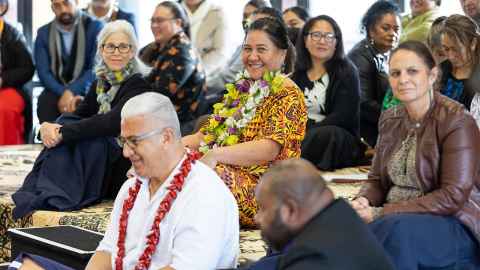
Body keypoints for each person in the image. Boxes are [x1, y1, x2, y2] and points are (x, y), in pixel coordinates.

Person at [352, 41, 480, 270]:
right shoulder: (390, 118)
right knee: (330, 223)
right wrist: (363, 201)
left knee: (392, 233)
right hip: (392, 218)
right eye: (395, 73)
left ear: (432, 75)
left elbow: (453, 196)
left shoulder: (457, 120)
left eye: (412, 71)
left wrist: (380, 212)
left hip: (449, 223)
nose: (403, 80)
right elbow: (376, 181)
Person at [12, 20, 151, 219]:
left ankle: (58, 192)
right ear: (101, 49)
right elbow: (81, 114)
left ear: (132, 51)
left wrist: (62, 132)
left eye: (123, 46)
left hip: (126, 158)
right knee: (68, 122)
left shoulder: (139, 84)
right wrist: (51, 127)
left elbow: (111, 123)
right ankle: (45, 188)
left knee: (88, 137)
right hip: (107, 153)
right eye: (110, 46)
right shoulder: (101, 81)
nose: (116, 52)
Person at [86, 92, 239, 270]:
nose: (126, 152)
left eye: (134, 141)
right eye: (124, 141)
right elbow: (108, 250)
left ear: (166, 137)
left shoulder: (205, 194)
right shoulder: (131, 188)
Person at [182, 17, 307, 228]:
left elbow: (269, 148)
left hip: (268, 191)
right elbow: (208, 135)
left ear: (282, 54)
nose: (252, 56)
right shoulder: (242, 88)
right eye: (247, 49)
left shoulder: (288, 93)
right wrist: (165, 150)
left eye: (261, 49)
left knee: (204, 173)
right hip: (229, 171)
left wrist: (215, 155)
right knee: (174, 162)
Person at [244, 158, 394, 270]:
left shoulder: (315, 262)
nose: (257, 218)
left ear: (290, 210)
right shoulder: (342, 218)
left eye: (263, 209)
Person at [293, 15, 364, 171]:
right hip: (301, 131)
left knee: (328, 134)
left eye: (328, 36)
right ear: (305, 40)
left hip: (335, 135)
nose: (322, 41)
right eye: (316, 35)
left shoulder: (346, 71)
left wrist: (307, 131)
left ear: (336, 42)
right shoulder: (296, 73)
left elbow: (343, 116)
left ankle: (290, 162)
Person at [140, 1, 205, 135]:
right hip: (155, 118)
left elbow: (157, 96)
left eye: (159, 21)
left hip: (176, 125)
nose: (154, 25)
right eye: (152, 20)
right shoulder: (156, 47)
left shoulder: (182, 52)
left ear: (178, 23)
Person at [35, 0, 103, 123]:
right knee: (45, 103)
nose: (63, 10)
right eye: (57, 5)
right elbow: (43, 72)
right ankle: (50, 141)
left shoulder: (95, 27)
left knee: (93, 103)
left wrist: (72, 91)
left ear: (77, 2)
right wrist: (64, 93)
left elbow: (95, 68)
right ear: (52, 8)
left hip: (86, 88)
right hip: (55, 89)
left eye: (66, 3)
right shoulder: (43, 33)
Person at [348, 1, 401, 148]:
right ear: (371, 30)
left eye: (396, 29)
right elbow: (363, 104)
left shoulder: (388, 54)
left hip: (382, 123)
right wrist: (399, 118)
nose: (393, 34)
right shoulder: (360, 57)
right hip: (364, 130)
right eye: (386, 28)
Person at [204, 0, 271, 114]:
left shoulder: (261, 48)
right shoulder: (242, 45)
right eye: (245, 16)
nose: (247, 20)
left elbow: (230, 76)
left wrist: (205, 85)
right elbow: (225, 70)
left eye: (252, 15)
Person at [0, 0, 35, 145]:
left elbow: (27, 69)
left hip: (7, 87)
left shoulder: (13, 34)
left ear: (2, 7)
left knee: (4, 110)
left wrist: (3, 80)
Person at [181, 0, 229, 75]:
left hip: (207, 74)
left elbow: (220, 52)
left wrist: (197, 73)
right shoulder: (170, 9)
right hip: (173, 70)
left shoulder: (218, 12)